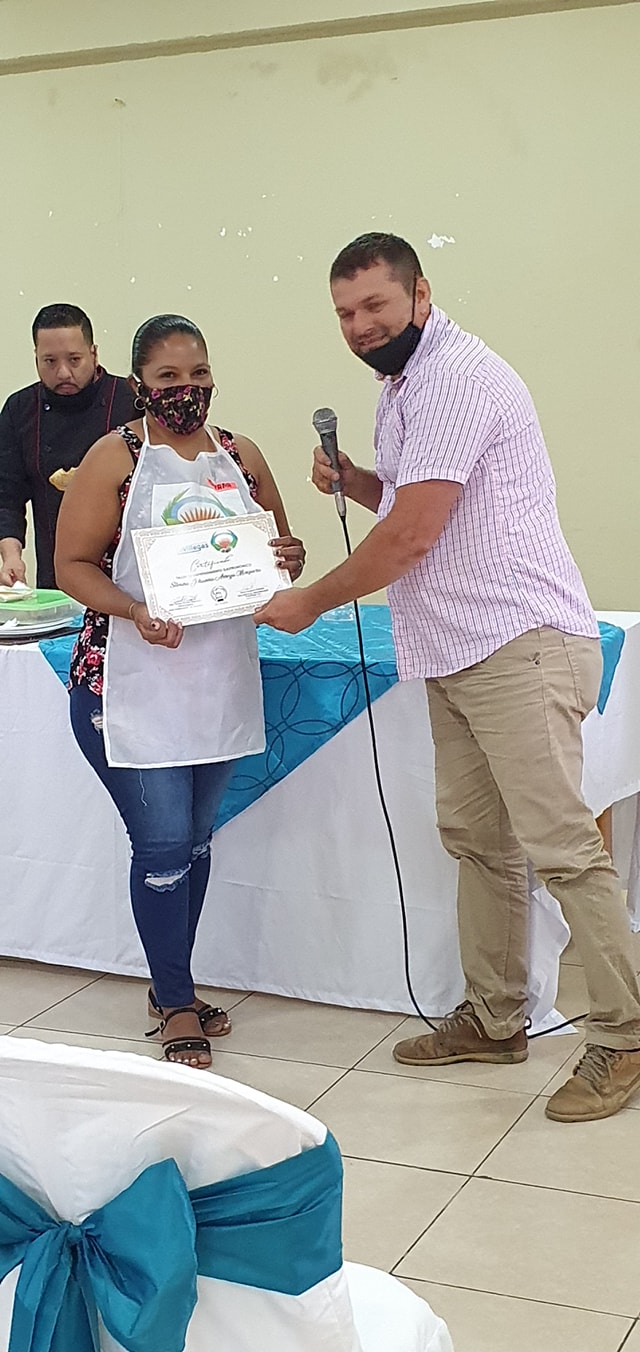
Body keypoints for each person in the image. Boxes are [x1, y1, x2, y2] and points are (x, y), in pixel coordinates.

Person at [255, 231, 640, 1123]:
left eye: (375, 306)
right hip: (453, 649)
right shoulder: (403, 386)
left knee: (562, 846)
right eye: (344, 313)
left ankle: (624, 1037)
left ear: (420, 295)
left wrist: (310, 600)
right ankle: (496, 1017)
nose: (359, 325)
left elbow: (413, 535)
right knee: (479, 840)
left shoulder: (457, 378)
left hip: (516, 643)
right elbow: (423, 503)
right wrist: (358, 479)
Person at [55, 313, 305, 1069]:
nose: (186, 389)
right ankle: (175, 1000)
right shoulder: (113, 457)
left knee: (194, 843)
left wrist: (287, 558)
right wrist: (134, 610)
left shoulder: (241, 455)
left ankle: (174, 986)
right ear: (139, 383)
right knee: (162, 846)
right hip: (125, 684)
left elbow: (276, 553)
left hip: (215, 680)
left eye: (198, 374)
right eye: (168, 377)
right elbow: (71, 565)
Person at [0, 303, 136, 588]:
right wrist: (11, 557)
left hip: (128, 576)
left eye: (74, 360)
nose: (63, 373)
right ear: (36, 358)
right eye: (50, 361)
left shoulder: (130, 402)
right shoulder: (19, 409)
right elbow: (7, 495)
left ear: (94, 353)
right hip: (56, 575)